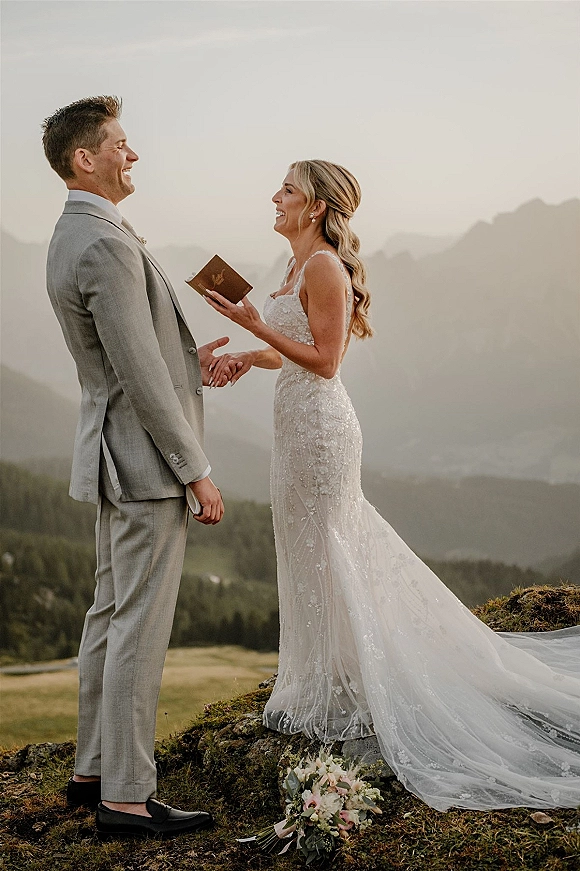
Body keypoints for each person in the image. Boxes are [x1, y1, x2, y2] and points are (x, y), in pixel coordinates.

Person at [205, 159, 580, 812]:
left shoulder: (323, 266)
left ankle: (349, 681)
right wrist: (247, 354)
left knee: (329, 544)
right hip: (292, 428)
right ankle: (321, 674)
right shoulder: (294, 266)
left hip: (321, 429)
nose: (274, 195)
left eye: (287, 189)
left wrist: (253, 326)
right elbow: (293, 341)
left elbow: (326, 360)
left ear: (316, 207)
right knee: (301, 547)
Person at [42, 96, 237, 838]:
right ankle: (126, 796)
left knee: (107, 616)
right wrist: (196, 470)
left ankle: (91, 770)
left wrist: (194, 360)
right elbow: (138, 379)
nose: (133, 154)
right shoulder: (103, 244)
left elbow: (136, 355)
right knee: (138, 628)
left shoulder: (76, 234)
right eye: (120, 144)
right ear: (83, 158)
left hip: (111, 455)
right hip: (146, 463)